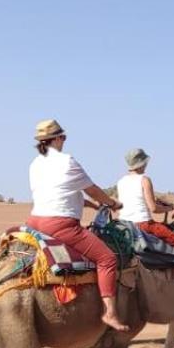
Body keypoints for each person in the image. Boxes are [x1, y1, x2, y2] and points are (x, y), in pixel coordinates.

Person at [25, 118, 129, 331]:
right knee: (107, 258)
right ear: (57, 139)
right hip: (60, 225)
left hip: (34, 221)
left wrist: (90, 205)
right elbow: (92, 189)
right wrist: (111, 203)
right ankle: (110, 312)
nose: (64, 141)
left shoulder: (35, 164)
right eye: (63, 137)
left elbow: (59, 193)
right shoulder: (67, 161)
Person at [116, 148, 174, 261]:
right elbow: (153, 208)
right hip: (143, 224)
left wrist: (168, 204)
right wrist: (170, 208)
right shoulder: (144, 180)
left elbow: (144, 198)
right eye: (145, 163)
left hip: (124, 225)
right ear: (141, 164)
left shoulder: (121, 181)